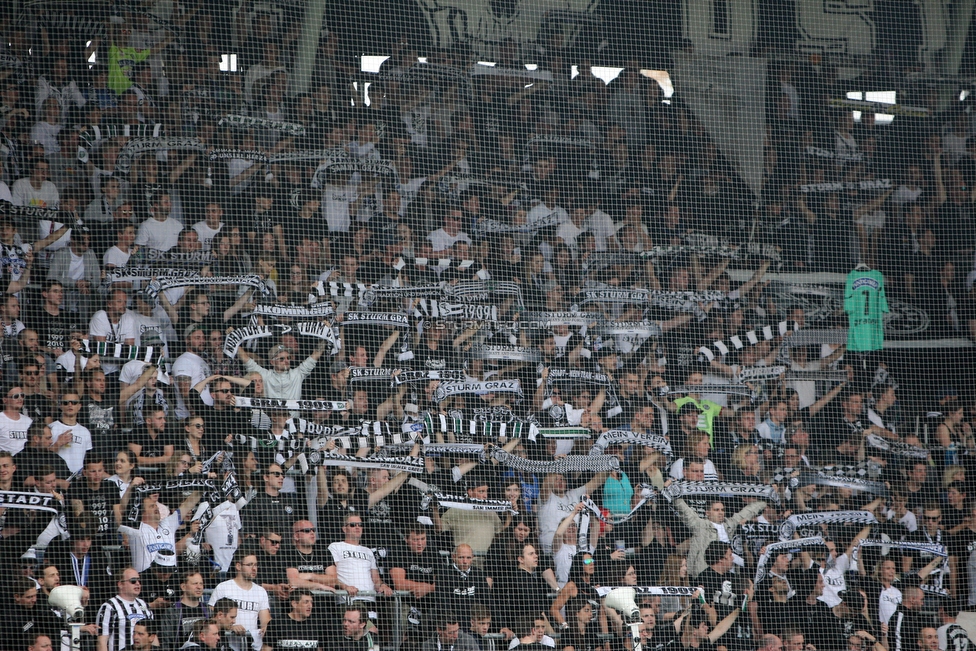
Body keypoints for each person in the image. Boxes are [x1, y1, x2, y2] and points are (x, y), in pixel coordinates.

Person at [118, 476, 202, 572]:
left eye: (156, 505)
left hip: (171, 578)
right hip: (146, 579)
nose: (156, 508)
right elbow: (123, 509)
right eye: (151, 506)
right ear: (142, 513)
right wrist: (131, 487)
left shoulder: (167, 524)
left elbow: (188, 504)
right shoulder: (136, 529)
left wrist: (203, 486)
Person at [208, 550, 272, 651]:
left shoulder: (261, 591)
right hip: (227, 645)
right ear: (238, 566)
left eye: (256, 565)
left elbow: (265, 620)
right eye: (250, 565)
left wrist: (266, 628)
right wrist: (229, 627)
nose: (254, 568)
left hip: (252, 646)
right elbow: (212, 616)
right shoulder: (223, 587)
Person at [325, 513, 394, 598]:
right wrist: (345, 587)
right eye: (353, 525)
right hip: (348, 600)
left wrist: (383, 585)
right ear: (344, 529)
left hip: (370, 600)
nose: (357, 527)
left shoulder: (368, 551)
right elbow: (332, 576)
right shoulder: (335, 546)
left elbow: (376, 579)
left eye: (360, 525)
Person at [236, 342, 328, 401]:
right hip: (271, 424)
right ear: (272, 362)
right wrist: (234, 339)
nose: (286, 361)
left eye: (288, 358)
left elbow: (316, 354)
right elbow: (245, 358)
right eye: (282, 359)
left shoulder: (297, 374)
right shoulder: (265, 375)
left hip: (294, 423)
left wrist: (324, 334)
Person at [96, 567, 154, 651]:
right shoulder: (110, 607)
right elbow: (102, 641)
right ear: (120, 584)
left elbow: (152, 637)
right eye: (133, 581)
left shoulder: (144, 605)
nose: (137, 583)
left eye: (139, 581)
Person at [159, 570, 211, 651]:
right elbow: (165, 642)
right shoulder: (172, 612)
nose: (199, 587)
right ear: (183, 587)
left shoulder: (207, 610)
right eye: (195, 583)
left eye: (201, 583)